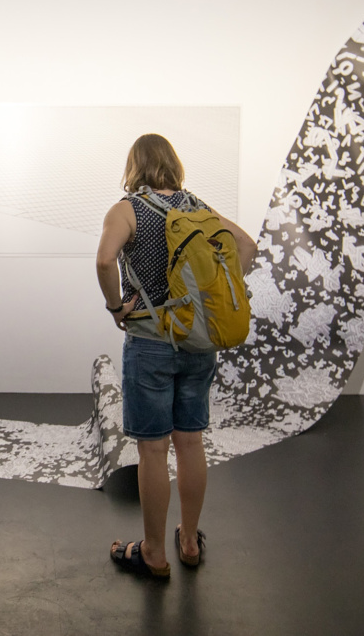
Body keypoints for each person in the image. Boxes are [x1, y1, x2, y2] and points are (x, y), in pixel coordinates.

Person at [95, 133, 256, 578]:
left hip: (149, 341)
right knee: (190, 441)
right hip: (199, 343)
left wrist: (115, 308)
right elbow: (247, 246)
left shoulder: (127, 209)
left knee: (152, 450)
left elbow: (105, 261)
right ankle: (187, 540)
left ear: (135, 166)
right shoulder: (199, 209)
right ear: (173, 163)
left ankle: (152, 552)